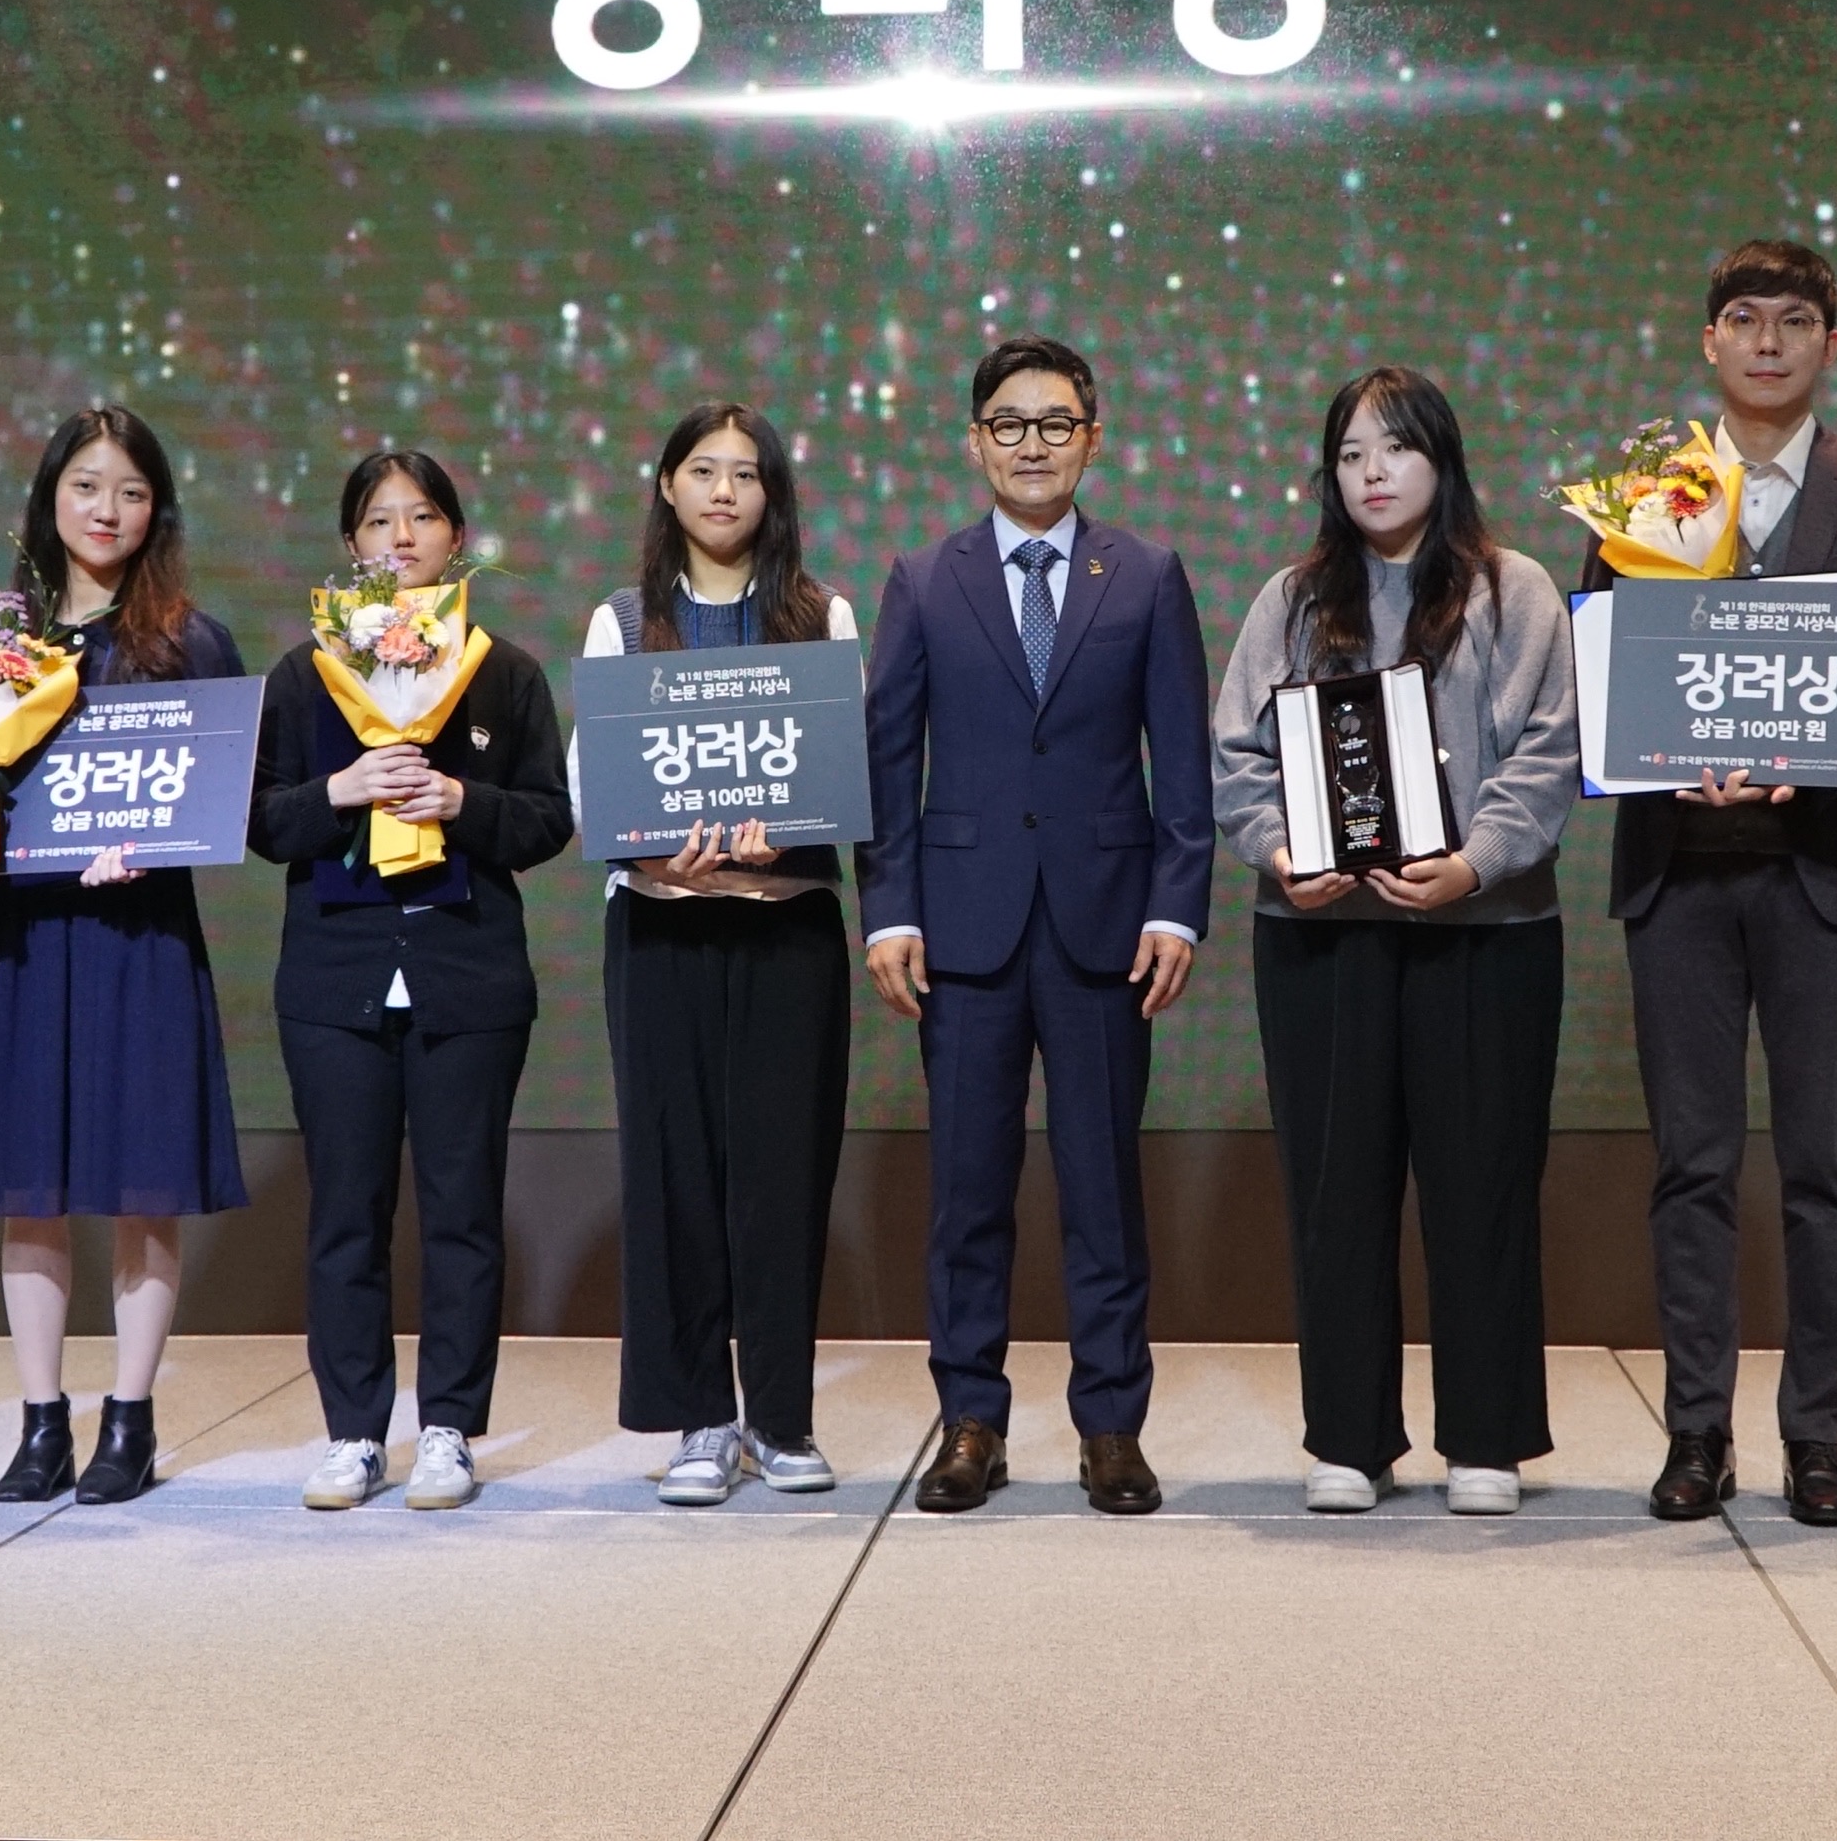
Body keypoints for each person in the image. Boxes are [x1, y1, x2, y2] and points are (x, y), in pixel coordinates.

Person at [1579, 239, 1837, 1530]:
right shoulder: (1646, 495)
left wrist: (1808, 752)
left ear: (1830, 344)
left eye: (1795, 320)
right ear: (1711, 340)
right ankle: (1696, 1429)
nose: (1769, 340)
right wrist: (1665, 755)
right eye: (1745, 317)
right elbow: (1605, 662)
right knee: (1690, 1163)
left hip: (1823, 871)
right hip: (1677, 872)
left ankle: (1817, 1436)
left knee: (1823, 1166)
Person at [1209, 367, 1579, 1517]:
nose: (1372, 473)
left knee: (1483, 1184)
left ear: (1442, 459)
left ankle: (1487, 1436)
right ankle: (1347, 1435)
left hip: (1487, 931)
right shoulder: (1289, 599)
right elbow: (1236, 755)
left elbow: (1550, 750)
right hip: (1320, 937)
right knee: (1336, 1190)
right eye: (1350, 453)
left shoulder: (1514, 589)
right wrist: (1280, 850)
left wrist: (1474, 859)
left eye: (1396, 448)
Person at [860, 333, 1215, 1517]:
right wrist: (888, 911)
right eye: (1007, 423)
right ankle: (971, 1420)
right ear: (975, 441)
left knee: (1102, 1186)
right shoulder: (924, 577)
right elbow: (887, 760)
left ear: (1090, 438)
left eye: (1054, 423)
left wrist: (1176, 904)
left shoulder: (1147, 573)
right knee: (967, 1192)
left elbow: (1182, 760)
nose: (1031, 444)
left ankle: (1111, 1425)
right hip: (959, 930)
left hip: (1107, 925)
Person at [0, 408, 249, 1507]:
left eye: (132, 492)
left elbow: (226, 796)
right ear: (49, 497)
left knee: (142, 1186)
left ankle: (132, 1418)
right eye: (88, 487)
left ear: (158, 511)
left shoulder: (190, 641)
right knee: (33, 1186)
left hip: (137, 935)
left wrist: (153, 843)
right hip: (21, 933)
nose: (108, 510)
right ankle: (42, 1419)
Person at [246, 452, 574, 1513]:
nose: (401, 536)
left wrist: (462, 801)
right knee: (346, 1209)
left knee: (462, 1209)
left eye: (423, 516)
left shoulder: (502, 671)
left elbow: (548, 819)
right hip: (334, 978)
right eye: (379, 520)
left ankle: (448, 1429)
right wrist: (342, 788)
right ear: (352, 544)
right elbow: (257, 818)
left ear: (456, 537)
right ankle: (352, 1431)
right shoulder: (303, 675)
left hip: (466, 972)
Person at [583, 404, 860, 1507]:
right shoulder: (624, 619)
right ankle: (701, 1417)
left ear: (771, 493)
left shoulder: (818, 613)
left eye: (747, 473)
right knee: (675, 1170)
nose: (724, 491)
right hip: (661, 927)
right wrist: (658, 851)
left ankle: (781, 1420)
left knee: (784, 1173)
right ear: (667, 485)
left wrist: (788, 824)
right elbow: (593, 782)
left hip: (787, 926)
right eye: (703, 470)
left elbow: (841, 765)